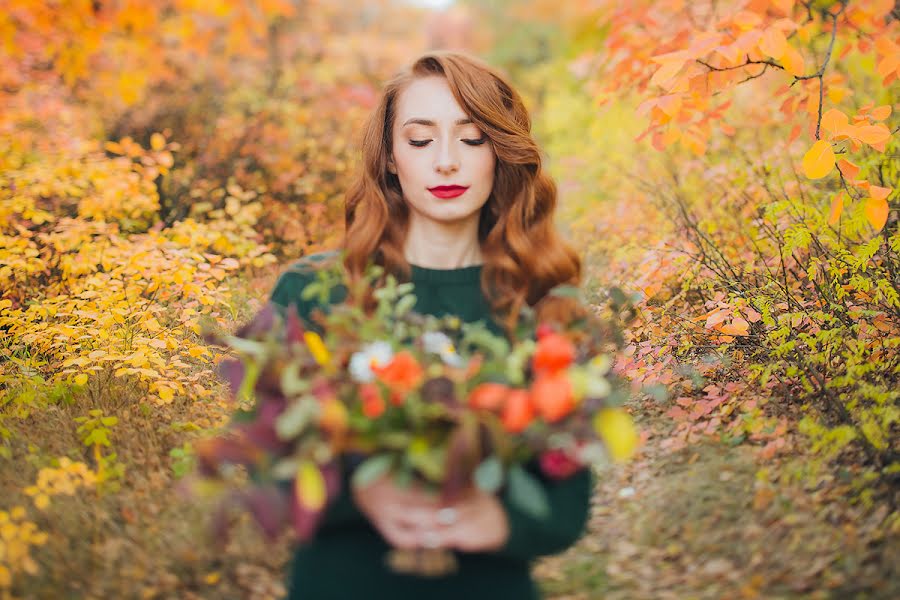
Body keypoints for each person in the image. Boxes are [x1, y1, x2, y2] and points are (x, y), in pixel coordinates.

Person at [268, 50, 593, 600]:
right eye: (420, 140)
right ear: (392, 157)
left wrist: (501, 519)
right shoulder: (313, 293)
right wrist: (360, 494)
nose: (446, 161)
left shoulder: (545, 308)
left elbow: (566, 506)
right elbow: (268, 467)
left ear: (502, 154)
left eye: (472, 140)